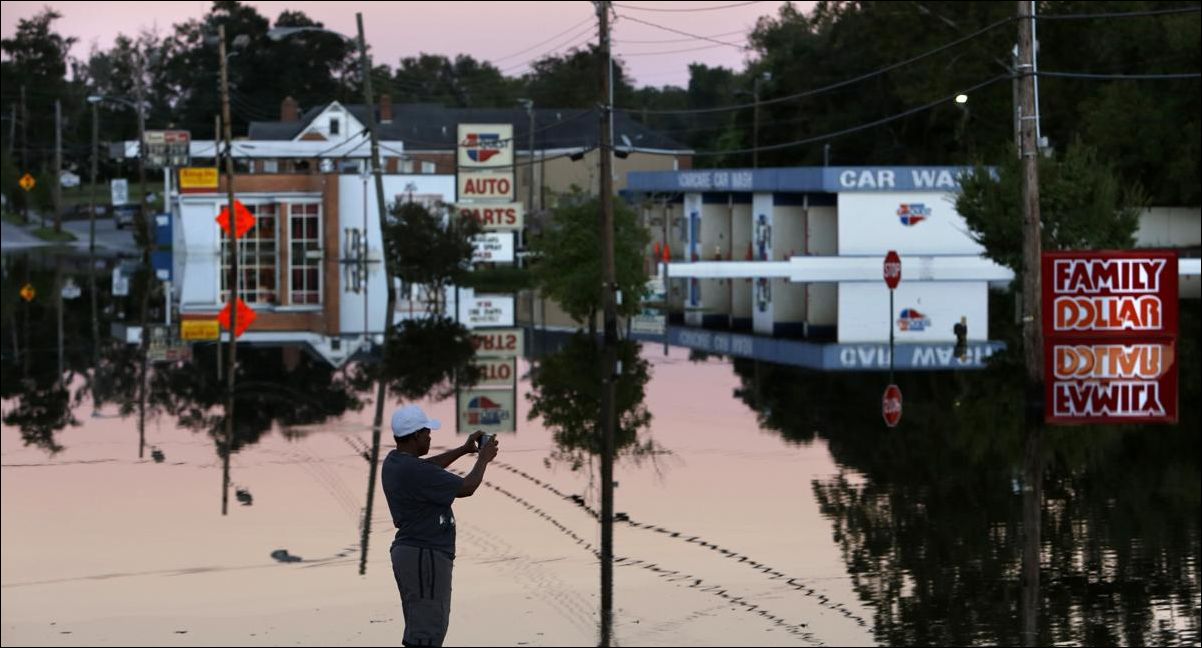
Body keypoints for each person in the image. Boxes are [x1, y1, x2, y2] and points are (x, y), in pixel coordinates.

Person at [382, 404, 499, 647]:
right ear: (415, 436)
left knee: (422, 630)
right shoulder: (413, 470)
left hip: (414, 553)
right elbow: (467, 487)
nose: (429, 436)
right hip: (425, 555)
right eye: (426, 432)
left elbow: (427, 468)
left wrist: (464, 450)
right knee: (427, 634)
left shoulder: (395, 462)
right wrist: (483, 459)